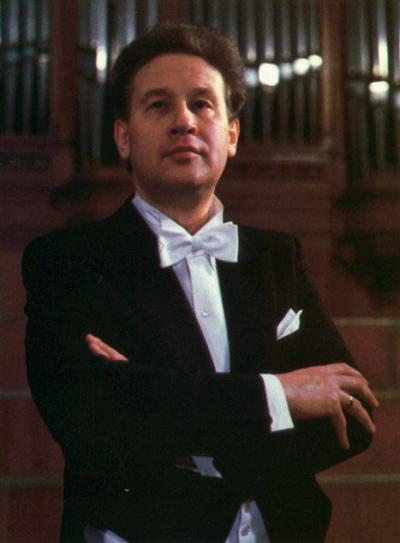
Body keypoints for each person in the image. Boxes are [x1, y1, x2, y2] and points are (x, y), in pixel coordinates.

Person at [23, 22, 378, 543]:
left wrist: (165, 408)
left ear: (231, 134)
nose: (184, 121)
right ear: (123, 136)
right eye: (158, 105)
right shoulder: (68, 261)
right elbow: (94, 419)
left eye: (202, 104)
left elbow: (350, 417)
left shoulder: (278, 257)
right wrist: (280, 394)